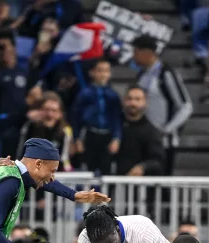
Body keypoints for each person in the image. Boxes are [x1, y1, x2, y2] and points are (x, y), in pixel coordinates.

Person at [133, 35, 193, 175]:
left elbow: (186, 106)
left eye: (135, 52)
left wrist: (166, 130)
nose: (133, 56)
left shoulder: (166, 74)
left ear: (147, 52)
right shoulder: (141, 75)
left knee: (161, 183)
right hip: (144, 138)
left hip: (163, 141)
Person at [71, 59, 122, 175]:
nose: (103, 74)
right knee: (87, 169)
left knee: (107, 169)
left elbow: (117, 118)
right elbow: (76, 117)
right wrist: (77, 138)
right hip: (89, 134)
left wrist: (116, 138)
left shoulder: (113, 95)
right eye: (100, 71)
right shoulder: (84, 93)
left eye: (106, 71)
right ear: (92, 73)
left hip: (107, 135)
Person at [116, 86, 166, 176]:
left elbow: (158, 161)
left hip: (139, 186)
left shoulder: (152, 132)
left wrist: (143, 167)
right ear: (124, 101)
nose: (133, 103)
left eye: (137, 99)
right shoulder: (114, 126)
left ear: (145, 102)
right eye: (129, 99)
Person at [17, 91, 73, 171]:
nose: (49, 115)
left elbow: (64, 159)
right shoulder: (29, 127)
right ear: (39, 110)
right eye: (46, 110)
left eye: (54, 111)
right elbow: (20, 155)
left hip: (55, 174)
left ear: (60, 114)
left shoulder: (65, 132)